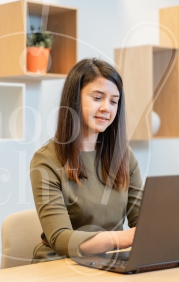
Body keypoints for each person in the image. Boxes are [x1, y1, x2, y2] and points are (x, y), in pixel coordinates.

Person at [30, 58, 143, 263]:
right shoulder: (46, 160)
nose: (106, 108)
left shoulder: (124, 156)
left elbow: (143, 221)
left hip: (112, 261)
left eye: (113, 101)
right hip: (61, 263)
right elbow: (61, 238)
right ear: (74, 100)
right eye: (97, 97)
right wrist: (122, 238)